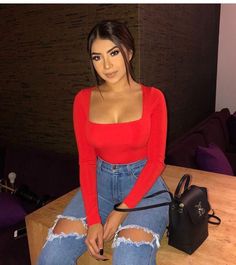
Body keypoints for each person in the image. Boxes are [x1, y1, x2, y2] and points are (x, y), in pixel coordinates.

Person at [37, 20, 170, 265]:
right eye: (97, 57)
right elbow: (87, 161)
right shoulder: (83, 100)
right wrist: (93, 219)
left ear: (128, 52)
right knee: (51, 257)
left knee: (129, 258)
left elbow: (156, 162)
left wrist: (120, 213)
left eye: (114, 53)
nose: (106, 65)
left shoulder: (154, 98)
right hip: (100, 185)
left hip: (145, 187)